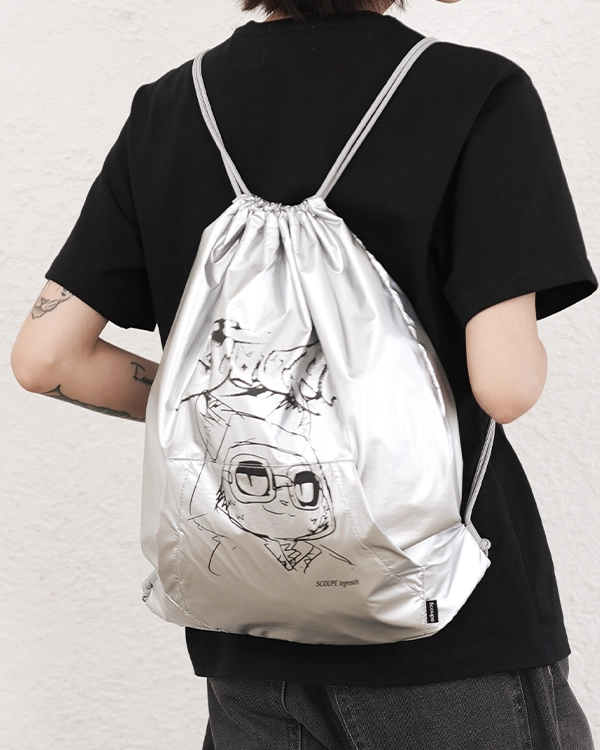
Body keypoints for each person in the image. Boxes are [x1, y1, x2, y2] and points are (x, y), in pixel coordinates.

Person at [10, 0, 598, 747]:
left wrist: (228, 407)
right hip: (446, 632)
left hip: (246, 642)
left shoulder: (171, 105)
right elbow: (505, 386)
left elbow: (47, 358)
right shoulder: (474, 90)